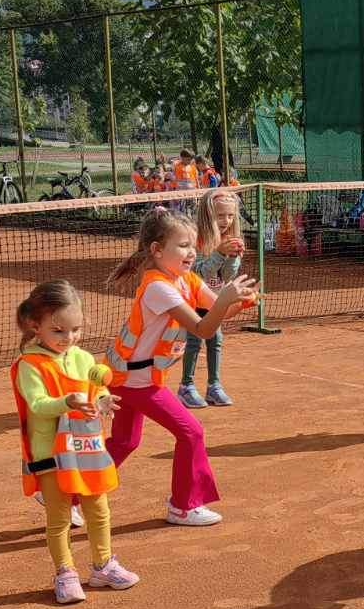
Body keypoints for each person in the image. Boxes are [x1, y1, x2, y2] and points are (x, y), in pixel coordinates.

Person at [104, 206, 256, 527]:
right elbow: (203, 329)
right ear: (157, 250)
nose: (191, 252)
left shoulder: (186, 279)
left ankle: (66, 491)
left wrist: (240, 301)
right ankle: (183, 506)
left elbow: (216, 311)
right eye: (183, 245)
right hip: (135, 380)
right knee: (191, 432)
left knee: (125, 442)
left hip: (133, 376)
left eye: (192, 245)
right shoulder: (158, 287)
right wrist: (226, 298)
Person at [12, 280, 137, 604]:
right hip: (50, 454)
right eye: (59, 331)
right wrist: (67, 402)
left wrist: (104, 400)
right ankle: (65, 573)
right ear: (35, 326)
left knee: (99, 509)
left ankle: (103, 566)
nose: (68, 338)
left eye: (75, 330)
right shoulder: (29, 365)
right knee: (60, 517)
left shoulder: (82, 358)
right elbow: (38, 405)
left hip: (86, 449)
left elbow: (97, 389)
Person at [178, 189, 247, 410]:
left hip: (213, 300)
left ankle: (214, 385)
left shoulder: (230, 238)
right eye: (220, 216)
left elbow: (226, 276)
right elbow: (198, 274)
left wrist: (233, 257)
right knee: (193, 341)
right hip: (192, 300)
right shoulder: (196, 239)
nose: (226, 221)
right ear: (208, 214)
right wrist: (218, 253)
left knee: (215, 340)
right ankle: (186, 386)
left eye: (230, 216)